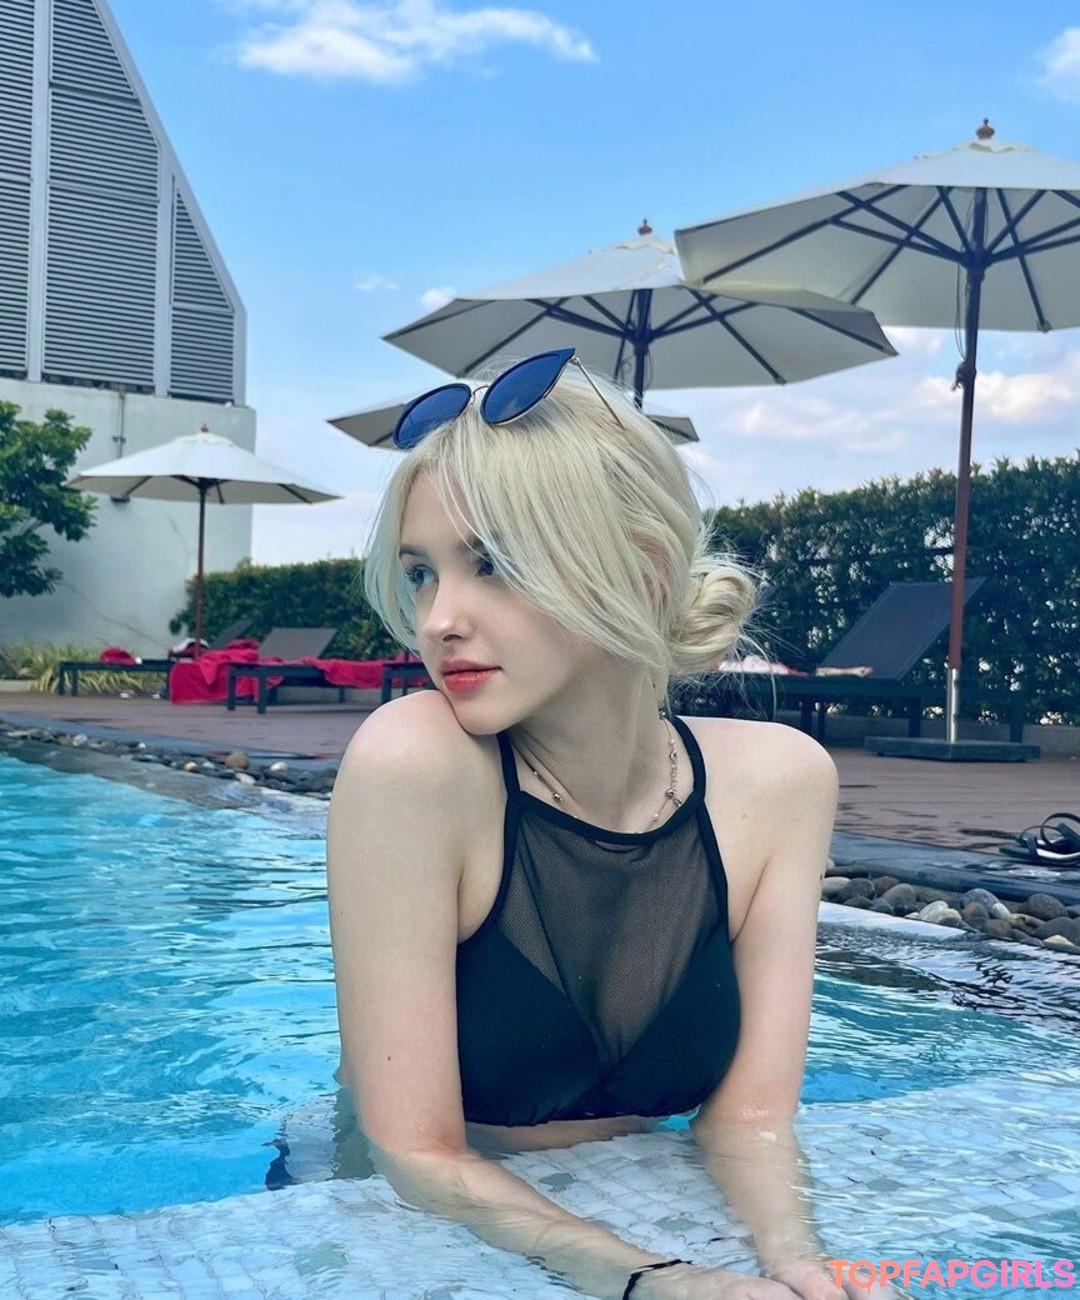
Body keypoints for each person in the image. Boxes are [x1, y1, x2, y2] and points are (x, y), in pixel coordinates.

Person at [327, 347, 842, 1300]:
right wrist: (656, 1281)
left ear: (642, 568)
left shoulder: (781, 782)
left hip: (615, 1209)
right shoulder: (415, 765)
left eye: (493, 563)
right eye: (422, 573)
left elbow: (749, 1123)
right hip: (402, 1217)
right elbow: (415, 1150)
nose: (437, 619)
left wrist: (801, 1262)